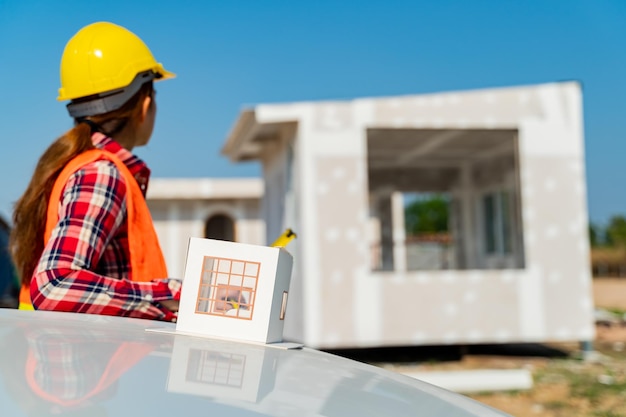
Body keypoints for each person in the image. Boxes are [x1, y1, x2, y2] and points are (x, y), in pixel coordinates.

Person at [10, 22, 180, 321]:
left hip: (70, 360)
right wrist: (169, 296)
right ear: (145, 103)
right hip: (93, 365)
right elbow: (55, 285)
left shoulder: (72, 163)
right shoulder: (101, 173)